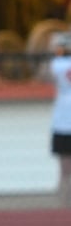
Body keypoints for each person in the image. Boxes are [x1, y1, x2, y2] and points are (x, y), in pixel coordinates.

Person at [48, 31, 71, 207]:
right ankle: (63, 205)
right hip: (63, 121)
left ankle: (62, 204)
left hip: (61, 120)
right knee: (64, 170)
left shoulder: (56, 64)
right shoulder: (57, 64)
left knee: (64, 171)